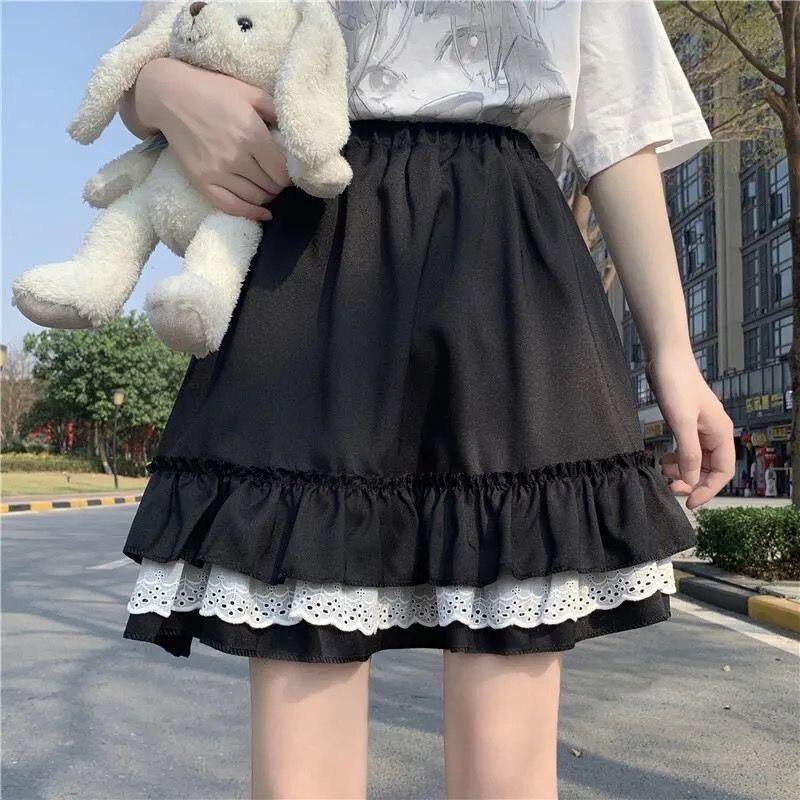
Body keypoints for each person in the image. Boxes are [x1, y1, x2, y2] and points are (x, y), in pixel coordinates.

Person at [110, 1, 736, 797]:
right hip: (314, 238)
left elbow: (619, 123)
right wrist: (164, 92)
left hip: (502, 264)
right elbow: (147, 52)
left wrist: (675, 355)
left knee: (508, 758)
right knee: (302, 743)